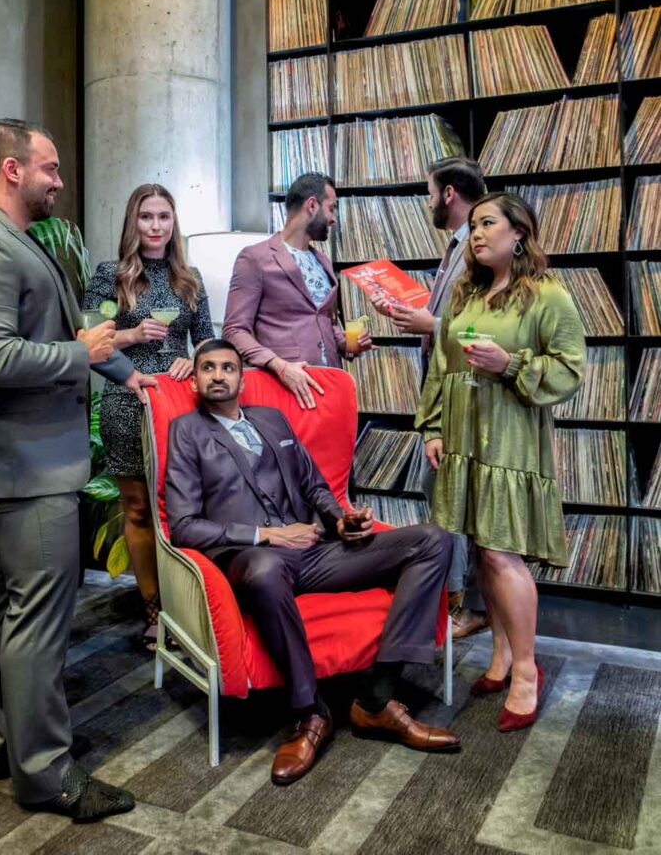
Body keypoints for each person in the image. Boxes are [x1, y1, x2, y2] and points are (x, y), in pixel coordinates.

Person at [0, 119, 157, 821]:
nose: (60, 181)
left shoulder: (13, 242)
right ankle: (46, 773)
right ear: (11, 169)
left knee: (7, 609)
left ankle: (7, 745)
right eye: (51, 168)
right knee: (37, 621)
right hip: (22, 470)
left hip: (22, 466)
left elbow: (65, 338)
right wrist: (84, 358)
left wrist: (127, 374)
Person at [166, 338, 460, 786]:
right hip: (252, 557)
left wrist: (342, 520)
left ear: (243, 379)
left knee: (433, 540)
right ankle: (310, 713)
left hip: (314, 552)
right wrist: (267, 535)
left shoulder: (271, 418)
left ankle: (376, 698)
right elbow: (184, 526)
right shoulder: (186, 431)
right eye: (209, 367)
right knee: (265, 571)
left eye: (228, 367)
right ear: (197, 379)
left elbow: (314, 485)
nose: (219, 375)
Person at [415, 193, 586, 732]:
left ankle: (527, 671)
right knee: (483, 552)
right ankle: (501, 655)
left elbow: (571, 369)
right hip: (464, 439)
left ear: (519, 233)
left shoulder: (548, 296)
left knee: (501, 553)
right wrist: (435, 427)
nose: (477, 234)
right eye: (472, 227)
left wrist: (509, 362)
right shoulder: (467, 293)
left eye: (488, 224)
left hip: (510, 441)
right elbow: (443, 365)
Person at [83, 184, 214, 647]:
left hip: (179, 405)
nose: (156, 226)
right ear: (132, 223)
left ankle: (189, 607)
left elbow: (208, 344)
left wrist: (193, 361)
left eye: (163, 217)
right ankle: (155, 610)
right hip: (126, 402)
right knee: (137, 509)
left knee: (182, 509)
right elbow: (89, 337)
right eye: (146, 217)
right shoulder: (109, 278)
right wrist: (132, 334)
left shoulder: (189, 279)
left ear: (173, 223)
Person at [371, 157, 489, 639]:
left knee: (458, 498)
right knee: (441, 492)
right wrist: (413, 312)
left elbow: (488, 328)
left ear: (448, 194)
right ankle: (461, 599)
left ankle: (468, 603)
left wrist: (432, 325)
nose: (426, 203)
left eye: (429, 192)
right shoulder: (457, 246)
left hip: (467, 395)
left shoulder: (477, 249)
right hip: (443, 395)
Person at [223, 173, 372, 410]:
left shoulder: (322, 260)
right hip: (282, 390)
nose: (333, 219)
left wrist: (347, 344)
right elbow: (234, 330)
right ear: (312, 205)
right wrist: (279, 366)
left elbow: (324, 322)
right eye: (331, 209)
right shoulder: (254, 258)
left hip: (328, 388)